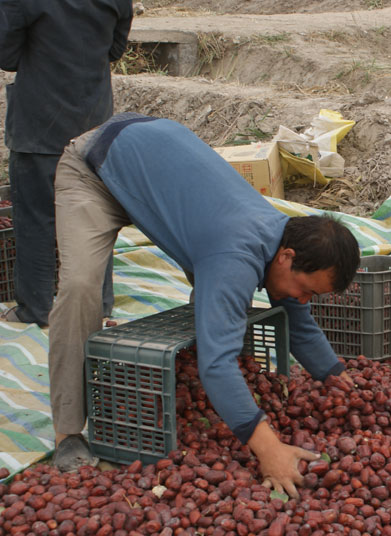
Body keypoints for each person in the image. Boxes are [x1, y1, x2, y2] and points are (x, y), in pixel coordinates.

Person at [48, 113, 361, 498]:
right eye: (306, 290)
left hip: (151, 172)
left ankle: (202, 390)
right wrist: (268, 448)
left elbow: (296, 312)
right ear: (287, 256)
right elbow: (219, 361)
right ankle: (66, 432)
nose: (302, 300)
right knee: (80, 287)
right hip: (95, 168)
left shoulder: (282, 235)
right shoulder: (236, 252)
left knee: (221, 304)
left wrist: (333, 374)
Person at [0, 0, 131, 327]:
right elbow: (115, 50)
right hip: (93, 125)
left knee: (36, 221)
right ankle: (99, 306)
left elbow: (5, 53)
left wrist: (43, 56)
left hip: (39, 123)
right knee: (94, 218)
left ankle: (37, 309)